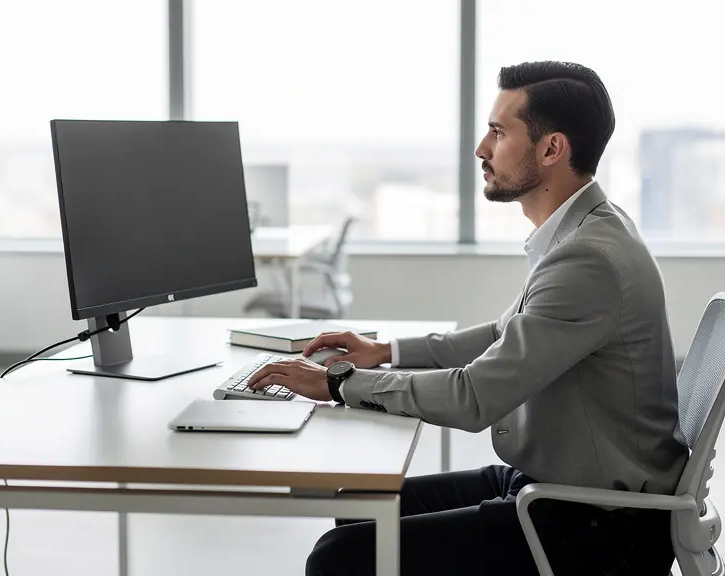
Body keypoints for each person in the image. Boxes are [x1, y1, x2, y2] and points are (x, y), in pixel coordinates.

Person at [247, 60, 688, 576]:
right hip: (555, 489)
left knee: (337, 559)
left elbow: (475, 396)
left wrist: (340, 381)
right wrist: (386, 353)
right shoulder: (586, 231)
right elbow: (503, 337)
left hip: (599, 527)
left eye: (498, 133)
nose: (481, 148)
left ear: (551, 149)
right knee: (359, 501)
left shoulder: (587, 259)